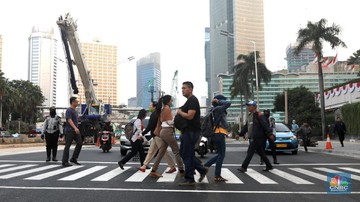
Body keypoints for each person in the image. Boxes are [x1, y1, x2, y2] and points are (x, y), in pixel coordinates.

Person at [176, 81, 208, 186]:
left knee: (187, 155)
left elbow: (190, 116)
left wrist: (179, 112)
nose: (182, 90)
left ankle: (190, 178)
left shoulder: (193, 100)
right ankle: (201, 169)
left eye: (184, 88)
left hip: (191, 132)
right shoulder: (189, 101)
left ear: (190, 89)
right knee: (185, 153)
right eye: (182, 88)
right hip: (187, 131)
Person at [149, 95, 185, 177]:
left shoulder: (162, 109)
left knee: (161, 151)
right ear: (168, 101)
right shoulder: (167, 109)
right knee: (176, 151)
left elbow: (162, 121)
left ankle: (153, 170)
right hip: (167, 131)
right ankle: (182, 170)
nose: (172, 102)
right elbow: (169, 122)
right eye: (171, 101)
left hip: (163, 131)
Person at [138, 101, 176, 173]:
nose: (149, 107)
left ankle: (172, 166)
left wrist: (143, 133)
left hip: (158, 136)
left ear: (154, 107)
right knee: (151, 151)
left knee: (163, 152)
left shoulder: (154, 115)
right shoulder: (157, 114)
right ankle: (144, 166)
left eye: (150, 105)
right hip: (156, 135)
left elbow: (150, 126)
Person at [236, 101, 274, 173]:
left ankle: (244, 167)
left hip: (258, 137)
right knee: (261, 152)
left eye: (249, 106)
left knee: (250, 152)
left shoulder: (259, 115)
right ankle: (269, 165)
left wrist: (270, 134)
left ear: (254, 106)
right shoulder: (250, 116)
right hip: (254, 137)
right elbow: (246, 127)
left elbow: (265, 125)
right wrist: (240, 134)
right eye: (248, 106)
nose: (248, 107)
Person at [203, 95, 231, 182]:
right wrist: (219, 101)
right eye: (223, 100)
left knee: (220, 154)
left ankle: (205, 166)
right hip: (219, 133)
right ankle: (217, 175)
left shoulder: (212, 110)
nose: (224, 102)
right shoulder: (218, 109)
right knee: (221, 155)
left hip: (216, 134)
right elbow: (228, 103)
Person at [62, 97, 82, 167]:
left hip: (75, 130)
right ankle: (65, 161)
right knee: (67, 146)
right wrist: (75, 128)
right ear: (73, 102)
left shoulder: (75, 111)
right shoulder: (69, 110)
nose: (77, 103)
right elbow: (69, 120)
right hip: (70, 130)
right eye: (76, 101)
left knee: (79, 143)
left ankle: (74, 158)